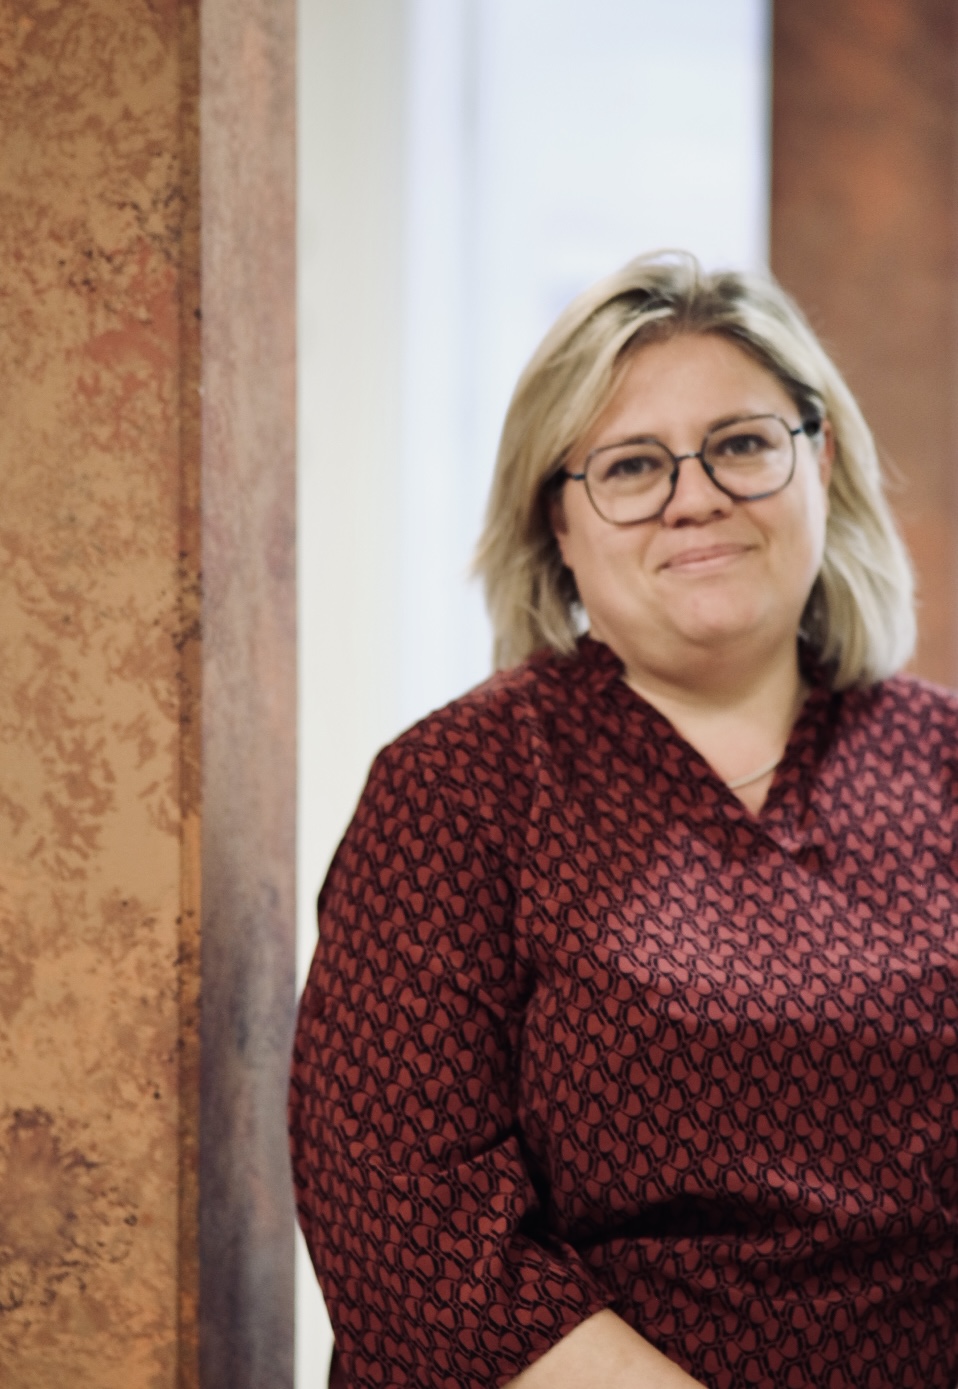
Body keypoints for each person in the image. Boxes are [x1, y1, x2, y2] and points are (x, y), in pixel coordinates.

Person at [288, 252, 958, 1389]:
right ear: (556, 523)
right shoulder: (457, 787)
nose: (696, 497)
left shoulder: (940, 764)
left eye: (742, 444)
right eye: (633, 467)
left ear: (821, 463)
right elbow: (405, 1221)